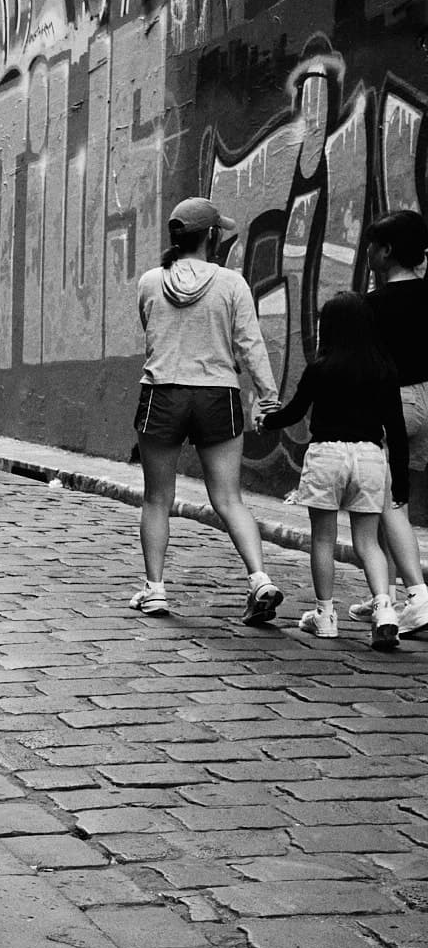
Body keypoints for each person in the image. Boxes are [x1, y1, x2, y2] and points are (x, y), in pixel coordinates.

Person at [130, 197, 284, 621]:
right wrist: (268, 396)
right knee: (229, 498)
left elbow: (150, 331)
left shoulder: (149, 281)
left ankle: (156, 589)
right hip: (218, 395)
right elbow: (250, 345)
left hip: (163, 392)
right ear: (212, 236)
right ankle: (258, 578)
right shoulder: (232, 284)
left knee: (158, 498)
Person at [258, 293, 409, 647]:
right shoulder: (384, 368)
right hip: (370, 457)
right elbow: (397, 429)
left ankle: (325, 615)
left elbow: (295, 412)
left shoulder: (320, 367)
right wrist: (400, 481)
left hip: (327, 455)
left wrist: (268, 420)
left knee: (323, 539)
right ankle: (384, 608)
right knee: (368, 542)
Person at [356, 210, 428, 632]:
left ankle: (417, 595)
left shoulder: (371, 306)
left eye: (370, 245)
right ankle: (380, 593)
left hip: (392, 404)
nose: (366, 253)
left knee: (388, 503)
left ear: (384, 252)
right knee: (396, 497)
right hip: (426, 401)